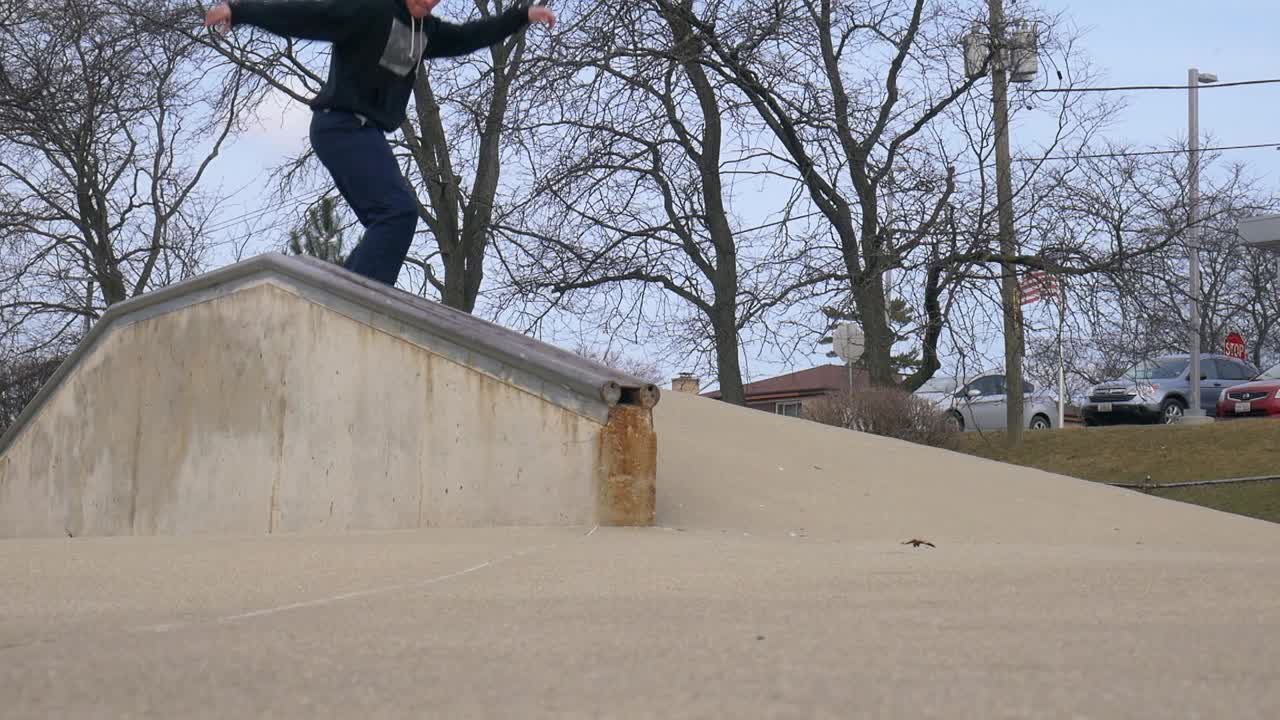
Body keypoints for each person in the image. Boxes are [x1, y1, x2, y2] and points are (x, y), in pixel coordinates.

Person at [203, 0, 556, 287]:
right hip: (339, 125)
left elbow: (470, 37)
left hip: (367, 133)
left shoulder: (428, 32)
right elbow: (309, 16)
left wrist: (520, 15)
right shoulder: (370, 11)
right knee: (397, 212)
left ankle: (342, 287)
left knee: (392, 218)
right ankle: (357, 298)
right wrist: (241, 11)